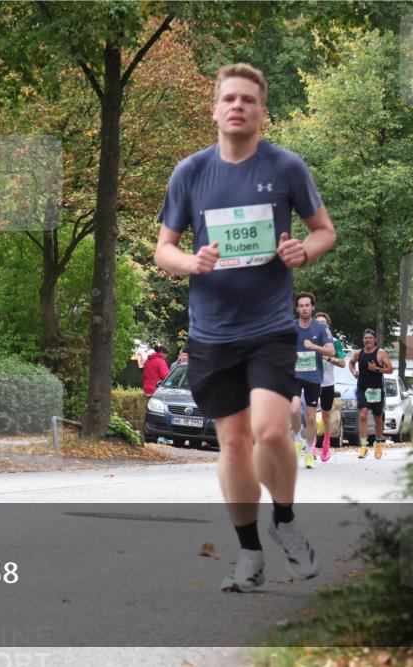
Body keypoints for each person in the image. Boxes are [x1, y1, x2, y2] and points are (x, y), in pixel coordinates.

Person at [155, 63, 336, 592]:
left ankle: (285, 519)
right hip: (211, 332)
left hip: (270, 326)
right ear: (215, 109)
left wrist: (304, 251)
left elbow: (324, 230)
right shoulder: (190, 172)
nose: (237, 106)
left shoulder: (286, 168)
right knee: (233, 444)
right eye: (228, 98)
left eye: (247, 101)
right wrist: (191, 263)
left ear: (262, 112)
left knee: (271, 431)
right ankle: (250, 556)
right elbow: (164, 249)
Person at [290, 293, 335, 469]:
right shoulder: (291, 327)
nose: (304, 308)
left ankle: (309, 451)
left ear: (312, 307)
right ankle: (297, 438)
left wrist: (314, 347)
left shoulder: (321, 328)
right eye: (301, 306)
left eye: (307, 305)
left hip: (314, 378)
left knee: (310, 417)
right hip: (294, 376)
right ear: (297, 308)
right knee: (293, 410)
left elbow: (331, 352)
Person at [348, 329, 393, 460]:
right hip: (362, 388)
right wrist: (354, 372)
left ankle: (378, 443)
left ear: (374, 340)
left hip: (376, 390)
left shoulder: (380, 353)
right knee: (363, 414)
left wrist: (377, 369)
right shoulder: (358, 353)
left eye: (370, 338)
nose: (367, 340)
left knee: (378, 418)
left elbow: (390, 369)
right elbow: (351, 363)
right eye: (365, 338)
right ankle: (363, 446)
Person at [314, 312, 346, 462]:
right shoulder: (309, 340)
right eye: (318, 323)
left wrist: (327, 357)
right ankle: (312, 443)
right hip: (312, 381)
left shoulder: (334, 342)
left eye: (323, 323)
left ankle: (326, 443)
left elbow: (342, 363)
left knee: (326, 415)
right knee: (309, 414)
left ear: (328, 326)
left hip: (327, 384)